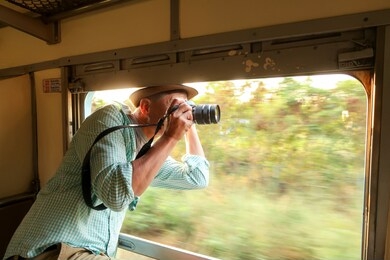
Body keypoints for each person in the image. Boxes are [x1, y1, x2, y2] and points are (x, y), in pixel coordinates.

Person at [3, 84, 210, 260]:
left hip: (87, 253)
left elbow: (196, 177)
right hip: (49, 249)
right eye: (176, 105)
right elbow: (117, 195)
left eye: (186, 107)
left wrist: (188, 125)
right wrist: (171, 137)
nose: (181, 112)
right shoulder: (109, 119)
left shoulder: (147, 155)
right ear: (146, 106)